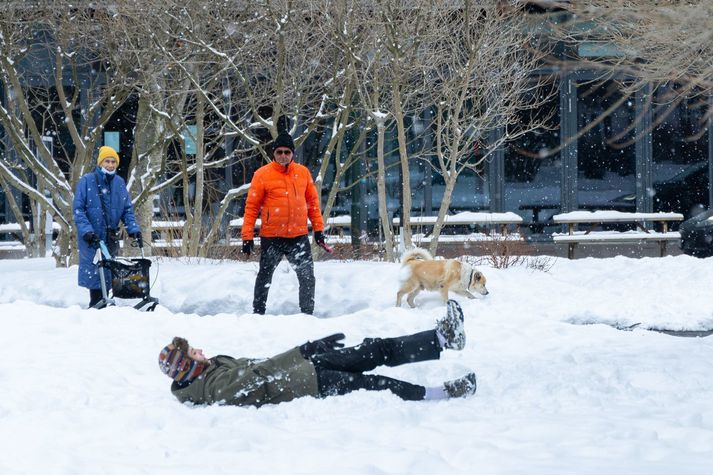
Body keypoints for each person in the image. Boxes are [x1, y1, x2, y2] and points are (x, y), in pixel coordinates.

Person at [158, 300, 477, 407]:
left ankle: (442, 337)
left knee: (373, 348)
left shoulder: (210, 368)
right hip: (309, 384)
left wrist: (308, 354)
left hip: (306, 366)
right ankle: (441, 394)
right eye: (192, 352)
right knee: (377, 385)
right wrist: (302, 350)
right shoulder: (214, 389)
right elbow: (260, 374)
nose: (199, 349)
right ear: (188, 368)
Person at [241, 130, 326, 315]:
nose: (283, 156)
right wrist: (247, 236)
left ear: (292, 154)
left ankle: (307, 314)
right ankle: (258, 313)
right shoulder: (262, 174)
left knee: (307, 276)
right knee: (265, 276)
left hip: (298, 236)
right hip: (272, 237)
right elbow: (251, 207)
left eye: (287, 152)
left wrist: (318, 229)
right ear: (274, 153)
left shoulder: (303, 173)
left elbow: (313, 203)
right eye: (279, 152)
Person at [73, 145, 142, 308]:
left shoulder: (119, 183)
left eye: (113, 162)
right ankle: (96, 303)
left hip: (110, 236)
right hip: (91, 237)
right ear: (100, 163)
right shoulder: (87, 181)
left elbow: (127, 209)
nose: (110, 165)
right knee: (95, 273)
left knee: (110, 271)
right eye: (107, 161)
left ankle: (106, 305)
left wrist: (133, 229)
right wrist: (87, 232)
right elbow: (78, 210)